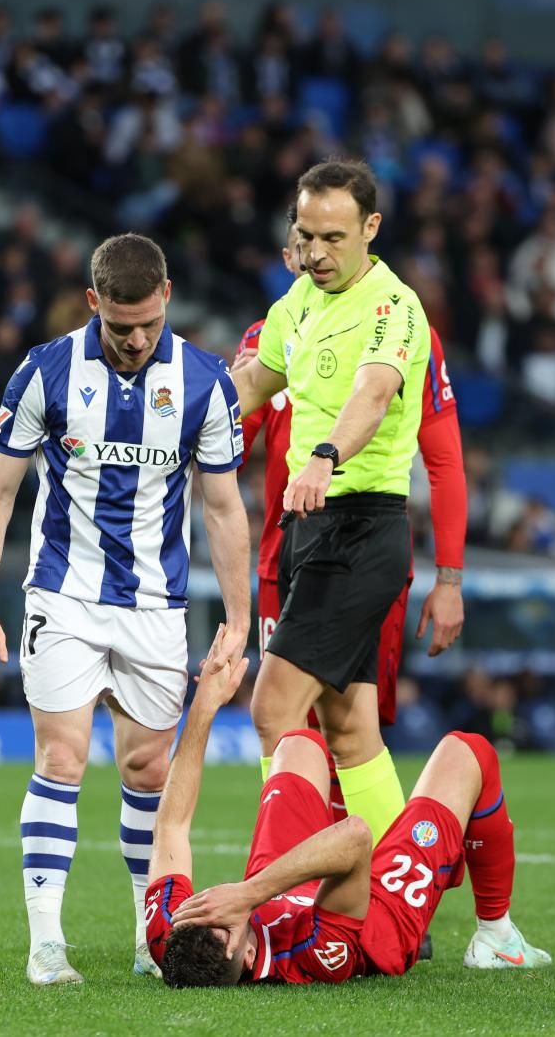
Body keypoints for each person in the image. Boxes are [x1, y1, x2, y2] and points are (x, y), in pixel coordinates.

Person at [0, 233, 250, 986]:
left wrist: (242, 619)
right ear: (94, 303)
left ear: (167, 299)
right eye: (121, 326)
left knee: (148, 768)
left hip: (157, 606)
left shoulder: (205, 383)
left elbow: (223, 509)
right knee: (61, 757)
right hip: (63, 593)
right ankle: (46, 944)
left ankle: (143, 936)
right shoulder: (46, 371)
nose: (135, 339)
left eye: (149, 324)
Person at [143, 624, 550, 987]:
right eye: (223, 917)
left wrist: (205, 703)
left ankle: (326, 841)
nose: (213, 904)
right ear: (245, 955)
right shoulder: (320, 955)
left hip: (280, 887)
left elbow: (171, 826)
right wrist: (248, 894)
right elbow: (355, 837)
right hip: (372, 914)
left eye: (202, 910)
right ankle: (497, 936)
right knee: (468, 752)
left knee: (299, 745)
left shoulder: (174, 934)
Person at [227, 158, 433, 853]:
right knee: (349, 729)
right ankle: (399, 888)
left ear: (371, 228)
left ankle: (283, 877)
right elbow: (253, 383)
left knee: (272, 708)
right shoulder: (300, 300)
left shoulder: (393, 307)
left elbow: (372, 396)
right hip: (308, 531)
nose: (315, 253)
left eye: (333, 238)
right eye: (305, 234)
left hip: (360, 525)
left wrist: (323, 456)